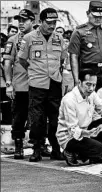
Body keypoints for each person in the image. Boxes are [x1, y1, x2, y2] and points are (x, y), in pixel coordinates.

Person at [18, 8, 68, 162]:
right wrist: (34, 70)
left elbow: (61, 60)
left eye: (54, 23)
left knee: (55, 118)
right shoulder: (28, 38)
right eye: (49, 23)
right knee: (37, 118)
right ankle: (37, 149)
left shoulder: (59, 38)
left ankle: (56, 148)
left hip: (54, 82)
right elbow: (22, 60)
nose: (52, 26)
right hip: (37, 84)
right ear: (41, 22)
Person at [3, 9, 49, 159]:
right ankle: (18, 146)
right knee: (18, 116)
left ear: (33, 21)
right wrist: (9, 84)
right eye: (19, 21)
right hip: (20, 85)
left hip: (38, 84)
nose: (21, 23)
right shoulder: (12, 40)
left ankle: (40, 144)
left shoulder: (41, 38)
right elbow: (7, 63)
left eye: (25, 20)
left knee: (40, 117)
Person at [56, 68, 102, 166]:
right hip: (69, 137)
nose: (91, 88)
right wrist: (88, 133)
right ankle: (70, 152)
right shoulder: (69, 100)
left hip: (86, 129)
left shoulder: (92, 94)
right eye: (88, 84)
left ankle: (90, 155)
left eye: (94, 85)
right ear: (79, 82)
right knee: (99, 148)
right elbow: (73, 130)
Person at [68, 1, 102, 91]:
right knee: (88, 100)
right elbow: (74, 57)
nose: (98, 19)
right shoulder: (79, 32)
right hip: (88, 71)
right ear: (88, 14)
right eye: (95, 16)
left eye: (101, 16)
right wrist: (76, 80)